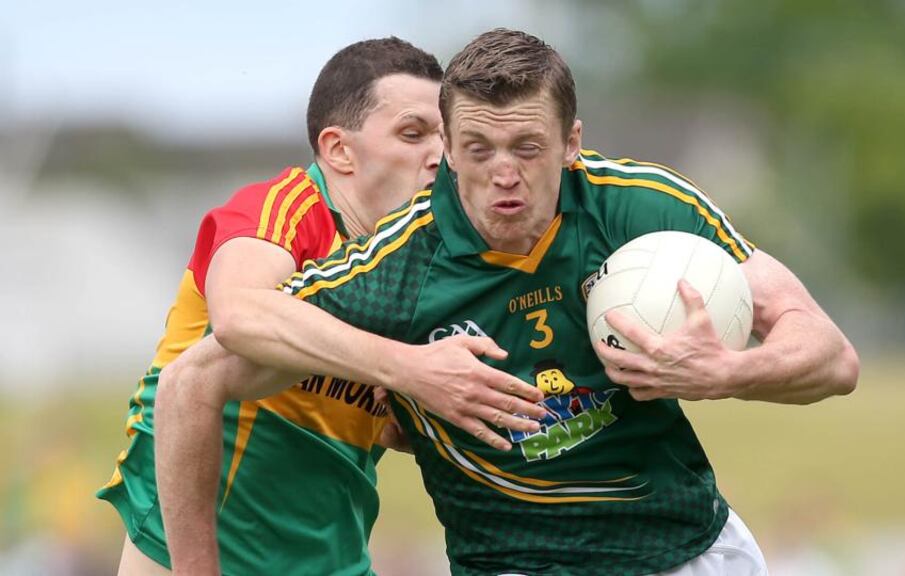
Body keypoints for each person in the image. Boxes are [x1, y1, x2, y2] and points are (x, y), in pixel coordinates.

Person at [158, 28, 859, 575]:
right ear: (451, 152)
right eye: (479, 148)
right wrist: (407, 370)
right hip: (516, 562)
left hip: (691, 548)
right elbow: (194, 379)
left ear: (572, 143)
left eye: (527, 147)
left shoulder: (643, 209)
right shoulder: (399, 267)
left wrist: (724, 373)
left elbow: (831, 358)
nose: (504, 175)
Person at [98, 37, 545, 576]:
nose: (437, 156)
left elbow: (351, 404)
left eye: (445, 138)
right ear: (338, 150)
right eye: (412, 133)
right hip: (191, 555)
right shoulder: (287, 210)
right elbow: (241, 315)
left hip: (330, 558)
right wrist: (410, 367)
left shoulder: (419, 260)